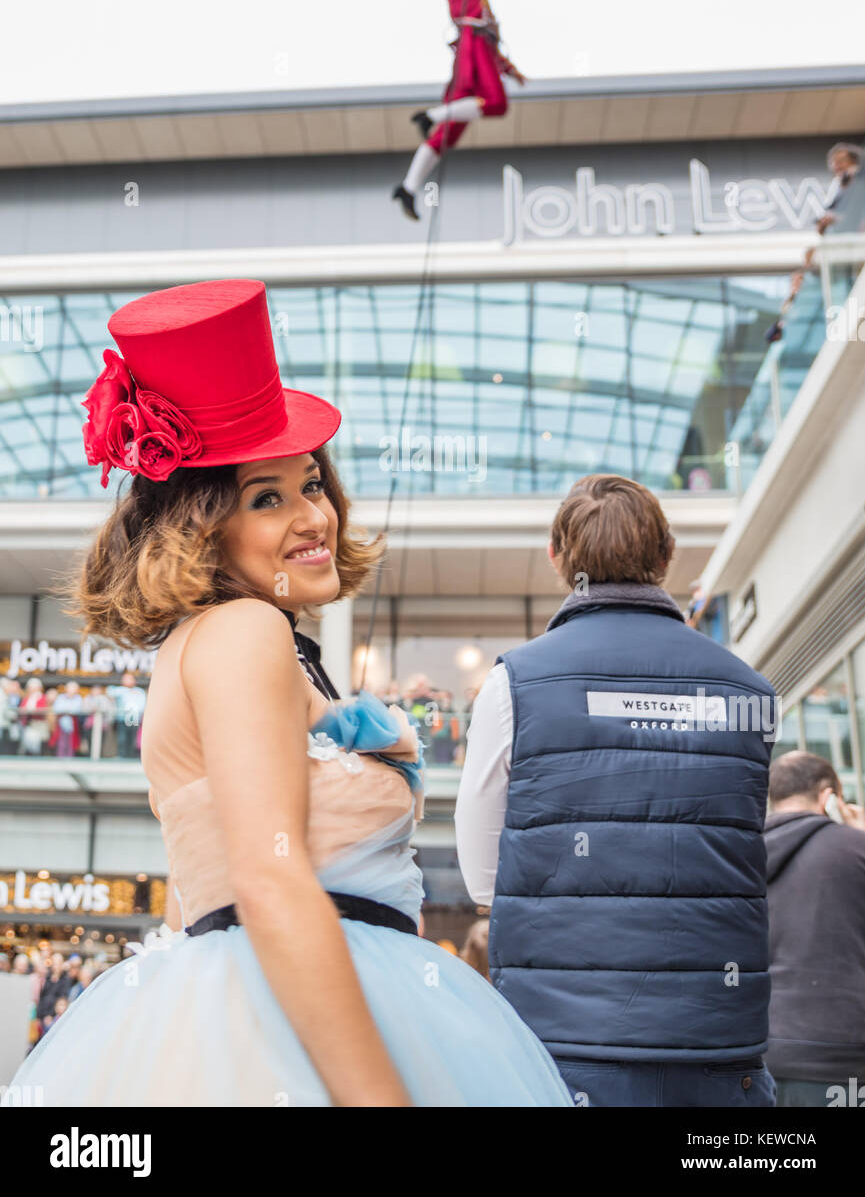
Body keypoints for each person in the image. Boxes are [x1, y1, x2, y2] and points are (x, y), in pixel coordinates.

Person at [8, 278, 570, 1108]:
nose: (314, 515)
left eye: (310, 484)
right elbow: (269, 881)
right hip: (284, 1027)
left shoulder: (246, 641)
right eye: (267, 498)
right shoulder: (242, 632)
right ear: (201, 527)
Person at [455, 473, 777, 1107]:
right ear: (666, 556)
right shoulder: (749, 692)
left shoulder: (514, 684)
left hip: (565, 1046)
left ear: (557, 558)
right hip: (718, 1044)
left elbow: (481, 876)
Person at [393, 0, 540, 220]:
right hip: (473, 50)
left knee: (448, 135)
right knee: (496, 103)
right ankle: (431, 115)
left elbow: (491, 41)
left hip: (472, 54)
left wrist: (511, 70)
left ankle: (408, 188)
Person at [764, 751, 865, 1106]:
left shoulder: (738, 858)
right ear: (830, 798)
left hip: (760, 1055)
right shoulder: (856, 847)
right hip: (843, 1058)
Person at [764, 141, 863, 343]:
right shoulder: (841, 192)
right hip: (845, 257)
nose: (837, 166)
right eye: (833, 162)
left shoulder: (859, 184)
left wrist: (834, 220)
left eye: (841, 161)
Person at [107, 673, 147, 759]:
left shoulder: (139, 691)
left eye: (129, 679)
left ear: (134, 681)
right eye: (125, 679)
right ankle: (122, 756)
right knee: (122, 738)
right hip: (122, 718)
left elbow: (142, 705)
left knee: (133, 739)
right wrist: (127, 690)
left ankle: (131, 757)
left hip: (134, 718)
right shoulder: (121, 690)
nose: (127, 681)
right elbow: (110, 692)